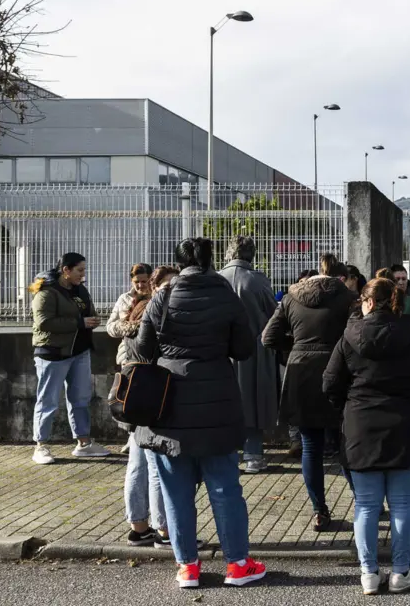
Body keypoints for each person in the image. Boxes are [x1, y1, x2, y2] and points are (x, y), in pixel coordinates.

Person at [128, 237, 266, 589]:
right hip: (217, 403)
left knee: (176, 494)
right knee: (225, 490)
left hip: (168, 407)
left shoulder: (163, 297)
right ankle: (238, 564)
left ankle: (187, 567)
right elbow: (244, 348)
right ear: (209, 261)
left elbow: (143, 349)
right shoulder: (225, 295)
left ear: (178, 263)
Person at [322, 278, 410, 596]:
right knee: (402, 505)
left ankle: (369, 574)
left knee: (365, 505)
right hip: (407, 424)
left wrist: (348, 409)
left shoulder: (349, 336)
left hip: (361, 426)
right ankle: (400, 573)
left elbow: (330, 382)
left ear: (368, 302)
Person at [261, 253, 356, 531]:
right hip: (339, 373)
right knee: (348, 442)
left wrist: (296, 346)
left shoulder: (291, 297)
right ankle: (365, 501)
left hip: (301, 373)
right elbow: (357, 336)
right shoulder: (348, 298)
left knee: (311, 446)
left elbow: (268, 337)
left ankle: (319, 510)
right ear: (340, 276)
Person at [29, 252, 110, 465]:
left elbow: (88, 310)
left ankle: (84, 443)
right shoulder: (46, 292)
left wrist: (92, 319)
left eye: (84, 270)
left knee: (81, 399)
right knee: (48, 400)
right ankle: (40, 445)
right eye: (79, 270)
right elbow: (44, 322)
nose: (83, 275)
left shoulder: (80, 289)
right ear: (66, 270)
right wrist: (80, 323)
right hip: (53, 353)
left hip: (80, 352)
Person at [106, 263, 166, 545]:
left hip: (132, 386)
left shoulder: (135, 310)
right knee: (154, 466)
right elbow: (112, 327)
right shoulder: (145, 319)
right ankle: (164, 530)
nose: (141, 285)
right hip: (148, 393)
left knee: (137, 462)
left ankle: (139, 527)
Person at [219, 236, 280, 474]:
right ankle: (253, 455)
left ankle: (226, 456)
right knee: (254, 402)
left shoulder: (216, 279)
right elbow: (274, 314)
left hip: (221, 351)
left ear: (228, 252)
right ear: (251, 254)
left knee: (223, 403)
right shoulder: (257, 280)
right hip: (255, 351)